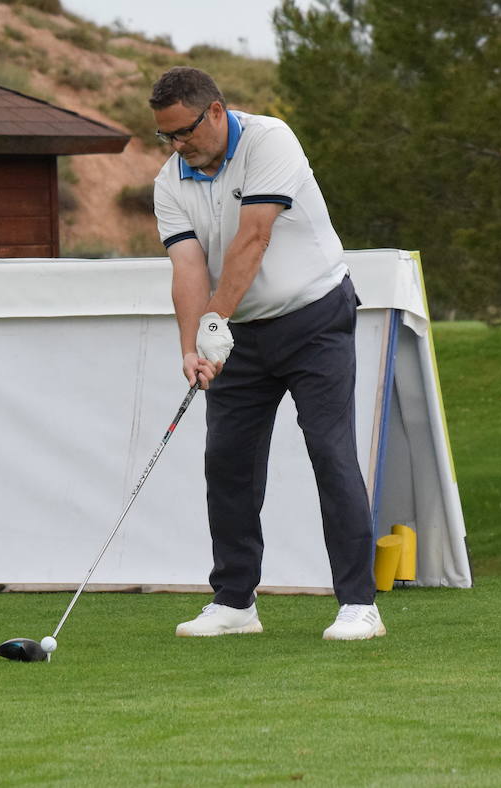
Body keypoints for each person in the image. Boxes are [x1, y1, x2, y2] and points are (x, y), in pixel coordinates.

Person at [148, 66, 384, 640]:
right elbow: (187, 268)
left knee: (330, 452)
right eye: (167, 137)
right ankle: (234, 601)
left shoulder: (269, 139)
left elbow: (255, 237)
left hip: (315, 318)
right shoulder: (170, 183)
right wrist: (191, 348)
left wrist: (213, 323)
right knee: (226, 462)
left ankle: (359, 605)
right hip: (240, 337)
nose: (179, 146)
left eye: (185, 132)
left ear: (215, 111)